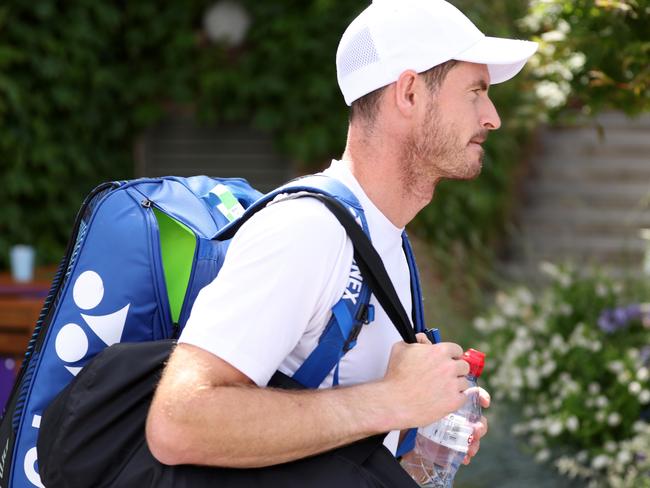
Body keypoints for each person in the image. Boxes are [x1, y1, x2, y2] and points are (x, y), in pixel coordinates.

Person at [146, 0, 537, 483]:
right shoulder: (305, 232)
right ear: (410, 93)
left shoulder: (383, 240)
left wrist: (422, 442)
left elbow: (343, 457)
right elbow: (178, 422)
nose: (492, 116)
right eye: (476, 91)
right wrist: (391, 400)